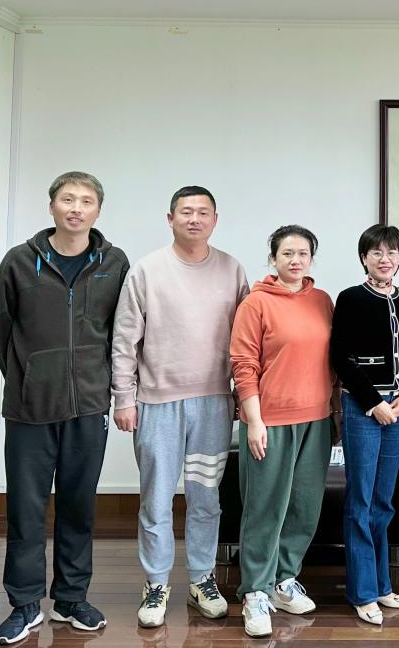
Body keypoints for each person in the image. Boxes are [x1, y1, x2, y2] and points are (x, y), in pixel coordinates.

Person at [0, 171, 129, 644]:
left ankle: (71, 598)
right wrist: (28, 376)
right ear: (51, 207)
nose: (76, 208)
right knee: (25, 508)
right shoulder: (19, 261)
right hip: (29, 408)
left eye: (86, 201)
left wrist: (106, 385)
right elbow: (0, 328)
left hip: (88, 405)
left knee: (78, 505)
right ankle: (25, 603)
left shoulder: (114, 263)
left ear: (97, 211)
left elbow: (121, 331)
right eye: (68, 199)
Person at [110, 186, 248, 627]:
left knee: (206, 497)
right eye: (186, 212)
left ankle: (202, 578)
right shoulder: (146, 270)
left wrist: (244, 396)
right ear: (170, 219)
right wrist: (124, 398)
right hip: (156, 404)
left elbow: (247, 341)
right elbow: (124, 340)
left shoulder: (232, 269)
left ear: (215, 220)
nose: (194, 219)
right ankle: (155, 583)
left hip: (213, 404)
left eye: (203, 212)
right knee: (156, 499)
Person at [231, 225, 335, 638]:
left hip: (317, 419)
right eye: (287, 253)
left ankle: (283, 580)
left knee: (305, 506)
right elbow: (244, 365)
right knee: (265, 508)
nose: (295, 260)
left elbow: (331, 362)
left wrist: (334, 414)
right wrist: (254, 421)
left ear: (311, 258)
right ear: (273, 258)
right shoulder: (255, 303)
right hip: (270, 421)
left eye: (303, 253)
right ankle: (255, 591)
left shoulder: (322, 301)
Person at [329, 224, 399, 624]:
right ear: (364, 258)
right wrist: (374, 403)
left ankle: (383, 586)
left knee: (385, 500)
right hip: (362, 408)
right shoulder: (350, 298)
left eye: (392, 253)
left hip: (398, 409)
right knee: (361, 500)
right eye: (377, 253)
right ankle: (363, 592)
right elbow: (340, 357)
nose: (385, 259)